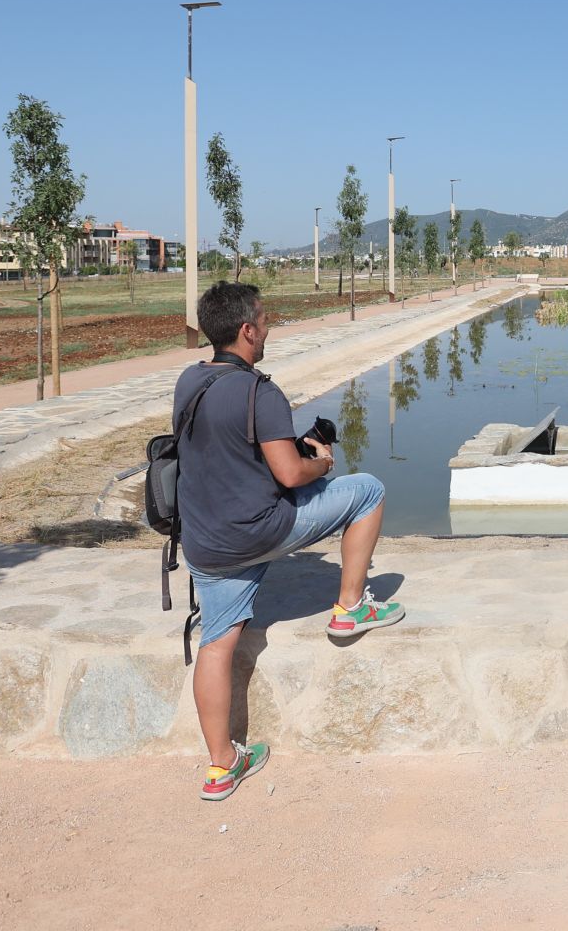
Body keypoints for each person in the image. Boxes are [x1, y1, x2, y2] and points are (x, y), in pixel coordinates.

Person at [175, 281, 404, 801]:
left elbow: (229, 451)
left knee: (217, 643)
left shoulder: (190, 381)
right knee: (368, 490)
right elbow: (291, 475)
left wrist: (289, 448)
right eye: (264, 320)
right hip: (258, 531)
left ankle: (221, 767)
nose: (269, 328)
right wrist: (320, 460)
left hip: (205, 542)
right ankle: (350, 608)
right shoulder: (259, 391)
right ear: (247, 330)